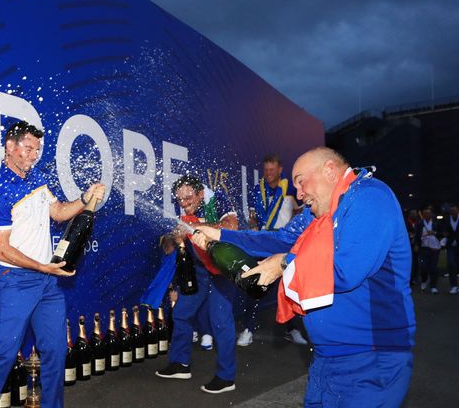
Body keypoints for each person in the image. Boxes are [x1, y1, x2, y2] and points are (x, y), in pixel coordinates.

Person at [192, 147, 415, 407]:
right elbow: (280, 239)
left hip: (370, 358)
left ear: (330, 170)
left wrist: (284, 263)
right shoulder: (317, 212)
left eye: (300, 182)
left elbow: (346, 270)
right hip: (326, 358)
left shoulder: (370, 198)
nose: (298, 194)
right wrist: (221, 236)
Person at [0, 121, 105, 408]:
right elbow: (2, 249)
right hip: (15, 281)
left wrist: (85, 198)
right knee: (6, 352)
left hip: (48, 284)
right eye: (28, 148)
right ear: (10, 147)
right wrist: (43, 267)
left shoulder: (37, 180)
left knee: (55, 351)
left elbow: (58, 213)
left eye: (37, 149)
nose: (34, 155)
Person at [155, 175, 239, 394]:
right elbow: (176, 243)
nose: (183, 203)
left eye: (188, 198)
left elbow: (232, 226)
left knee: (220, 321)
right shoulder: (187, 208)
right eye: (179, 199)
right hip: (200, 269)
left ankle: (226, 377)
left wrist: (196, 225)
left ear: (200, 193)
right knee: (181, 313)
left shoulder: (218, 199)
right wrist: (174, 239)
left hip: (223, 268)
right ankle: (180, 364)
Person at [238, 154, 306, 347]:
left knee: (289, 288)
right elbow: (252, 217)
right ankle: (248, 329)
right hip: (263, 242)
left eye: (272, 170)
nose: (268, 173)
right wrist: (253, 226)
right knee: (256, 286)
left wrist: (293, 228)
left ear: (280, 169)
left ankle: (292, 329)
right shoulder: (256, 190)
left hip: (284, 243)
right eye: (266, 170)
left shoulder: (291, 188)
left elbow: (300, 211)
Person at [417, 206, 442, 293]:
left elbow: (442, 233)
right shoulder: (420, 224)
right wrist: (416, 245)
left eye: (428, 213)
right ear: (422, 215)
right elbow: (417, 235)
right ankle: (424, 280)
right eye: (424, 213)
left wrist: (434, 232)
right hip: (423, 249)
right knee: (423, 267)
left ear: (431, 214)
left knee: (433, 268)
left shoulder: (436, 223)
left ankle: (433, 286)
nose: (426, 214)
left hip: (434, 249)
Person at [442, 204, 459, 294]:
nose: (453, 212)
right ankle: (454, 286)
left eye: (455, 210)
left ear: (458, 210)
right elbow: (442, 229)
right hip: (451, 246)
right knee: (451, 264)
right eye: (451, 210)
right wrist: (444, 233)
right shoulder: (446, 219)